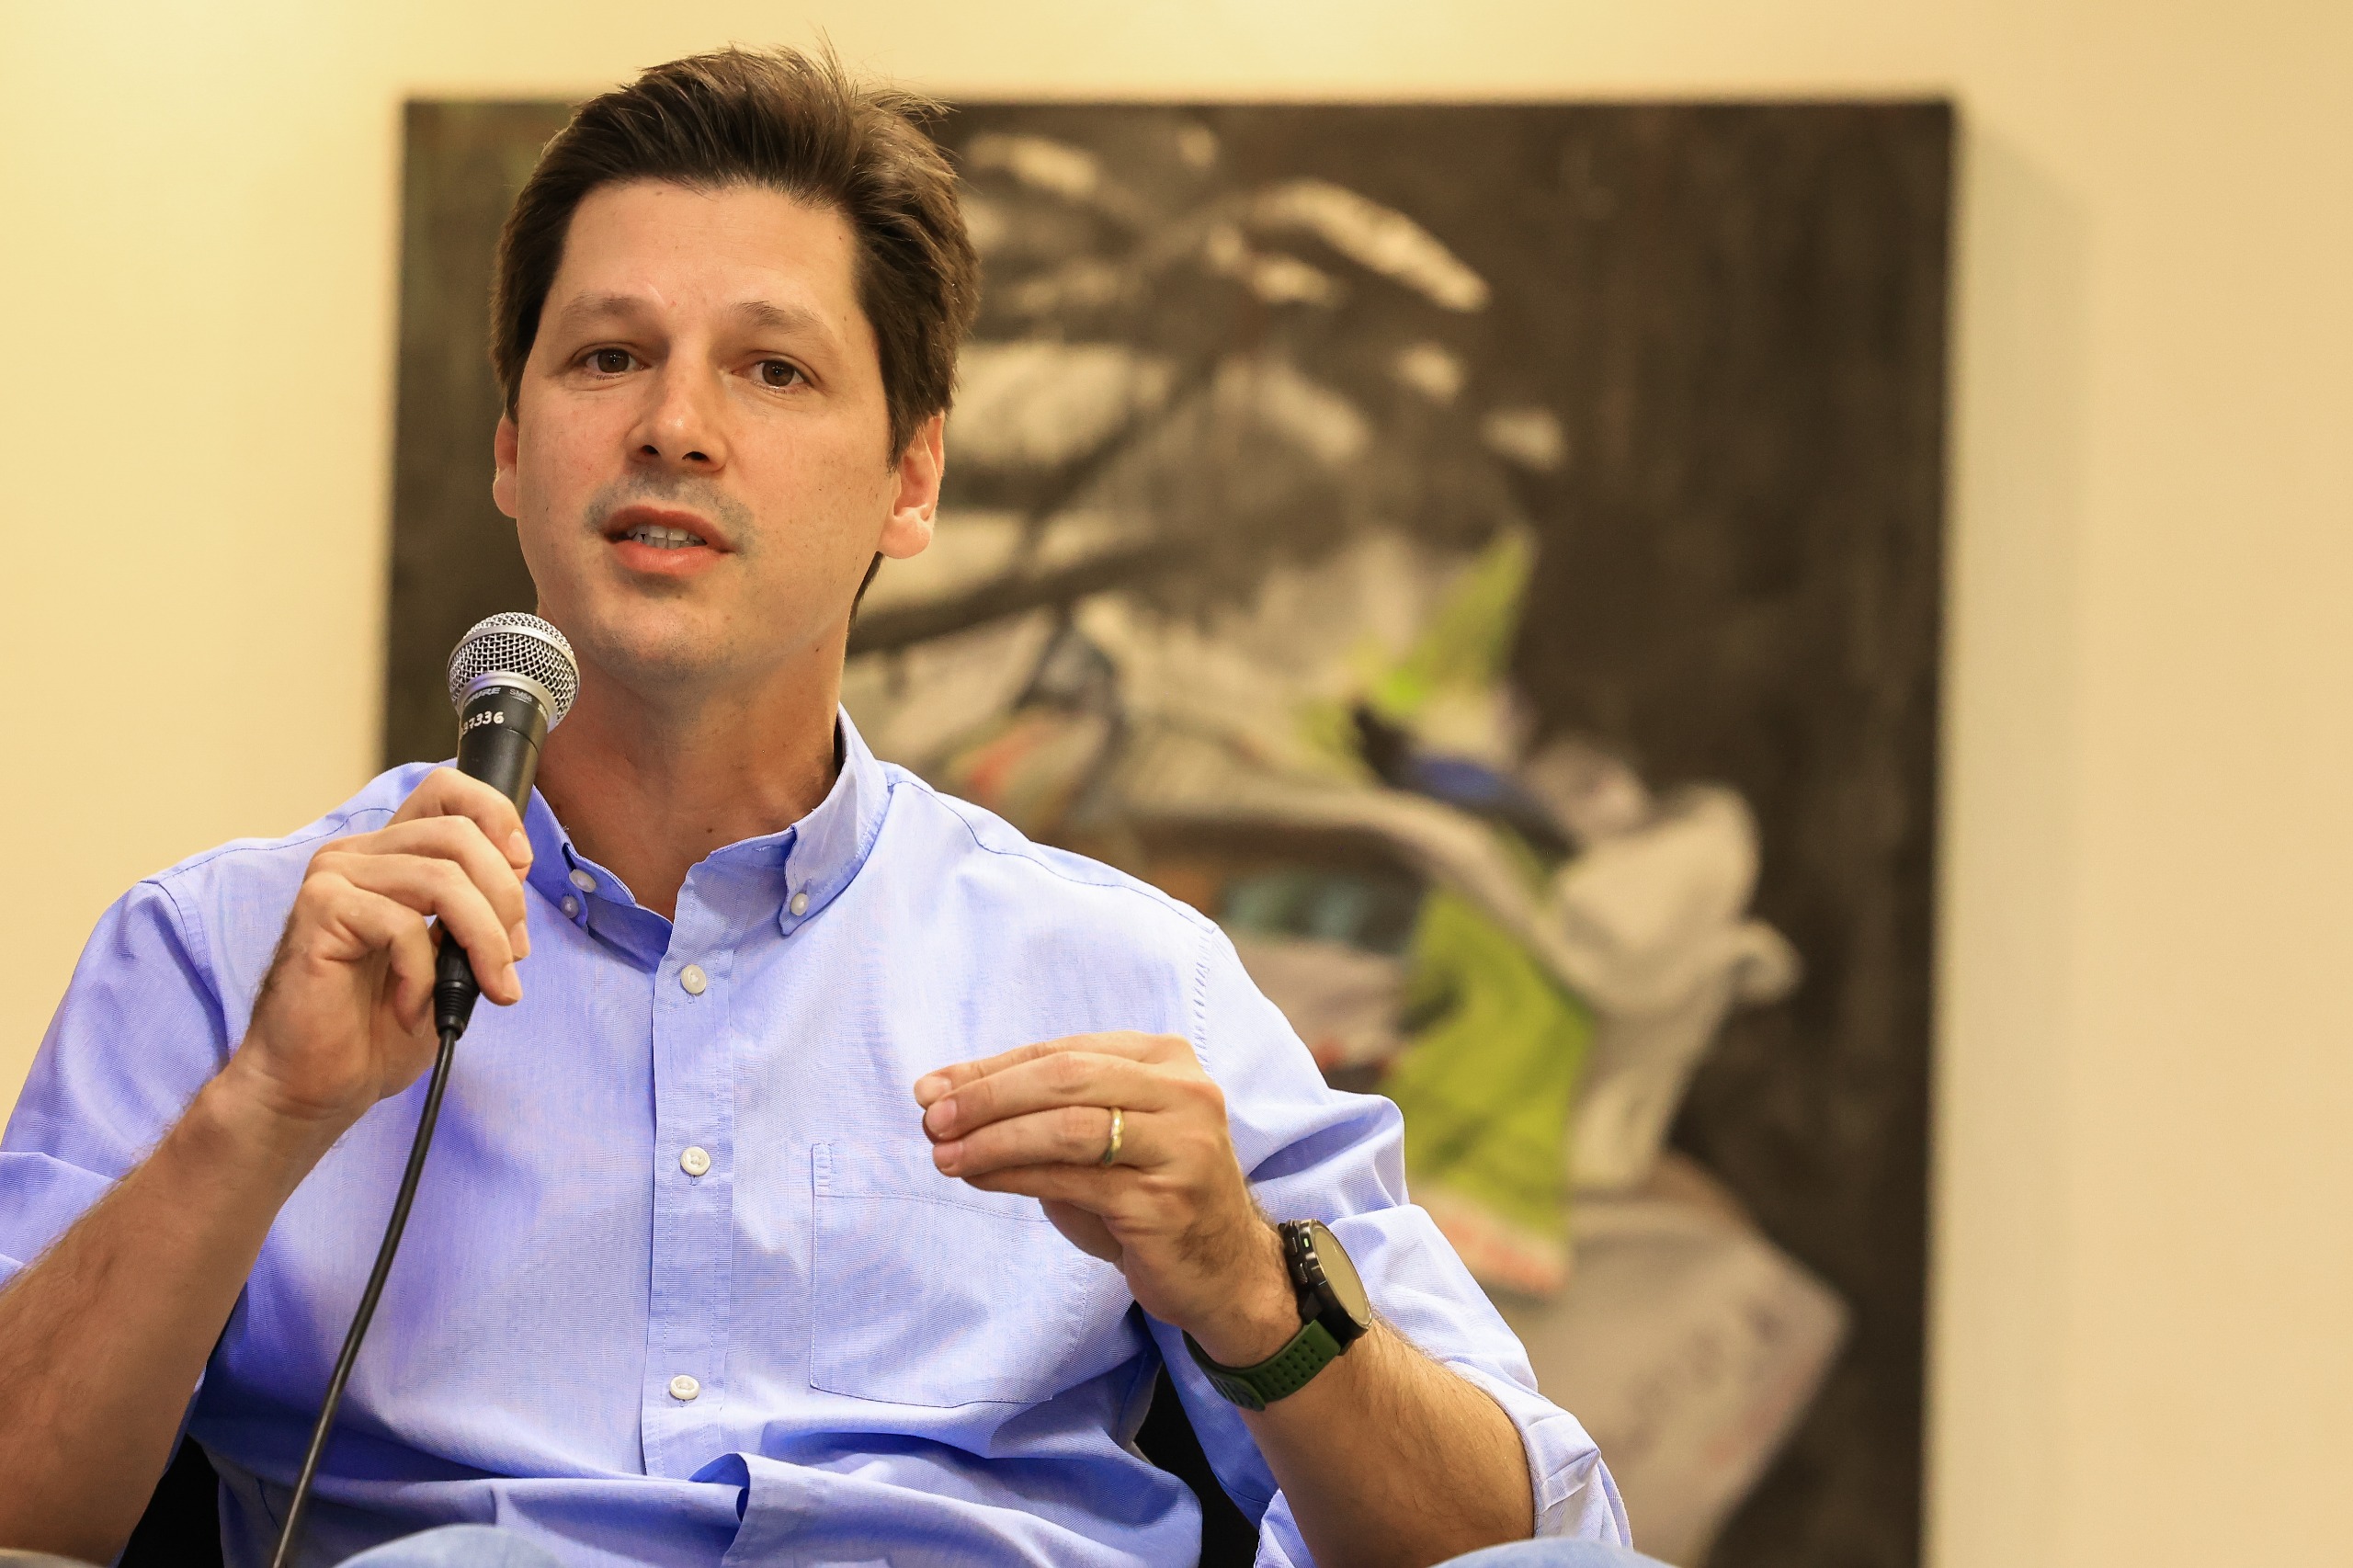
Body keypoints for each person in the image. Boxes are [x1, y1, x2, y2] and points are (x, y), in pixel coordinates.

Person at [0, 47, 1643, 1568]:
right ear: (510, 446)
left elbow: (1546, 1542)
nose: (674, 425)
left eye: (773, 368)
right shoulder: (225, 954)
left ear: (911, 480)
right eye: (609, 356)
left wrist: (1248, 1289)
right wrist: (261, 1114)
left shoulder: (1135, 985)